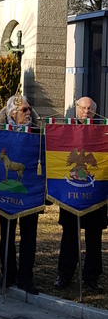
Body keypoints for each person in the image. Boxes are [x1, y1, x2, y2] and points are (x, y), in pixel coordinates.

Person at [54, 96, 106, 294]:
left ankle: (92, 276)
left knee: (94, 238)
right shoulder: (65, 131)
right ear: (76, 109)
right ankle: (65, 274)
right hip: (71, 192)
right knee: (69, 235)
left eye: (90, 109)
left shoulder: (103, 132)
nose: (86, 112)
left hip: (95, 194)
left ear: (95, 111)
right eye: (83, 108)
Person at [0, 93, 41, 294]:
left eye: (30, 109)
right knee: (7, 234)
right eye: (24, 110)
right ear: (13, 113)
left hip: (31, 191)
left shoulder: (38, 132)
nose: (28, 112)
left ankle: (26, 278)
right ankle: (8, 274)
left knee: (29, 236)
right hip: (6, 195)